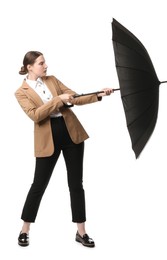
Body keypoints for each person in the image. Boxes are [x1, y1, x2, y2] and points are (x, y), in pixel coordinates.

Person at [15, 51, 113, 248]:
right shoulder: (21, 92)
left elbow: (74, 98)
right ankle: (25, 229)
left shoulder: (52, 80)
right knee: (38, 185)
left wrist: (98, 95)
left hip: (71, 133)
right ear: (30, 67)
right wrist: (58, 99)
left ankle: (81, 232)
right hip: (47, 138)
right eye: (42, 63)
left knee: (76, 184)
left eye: (44, 62)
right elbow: (36, 115)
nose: (46, 66)